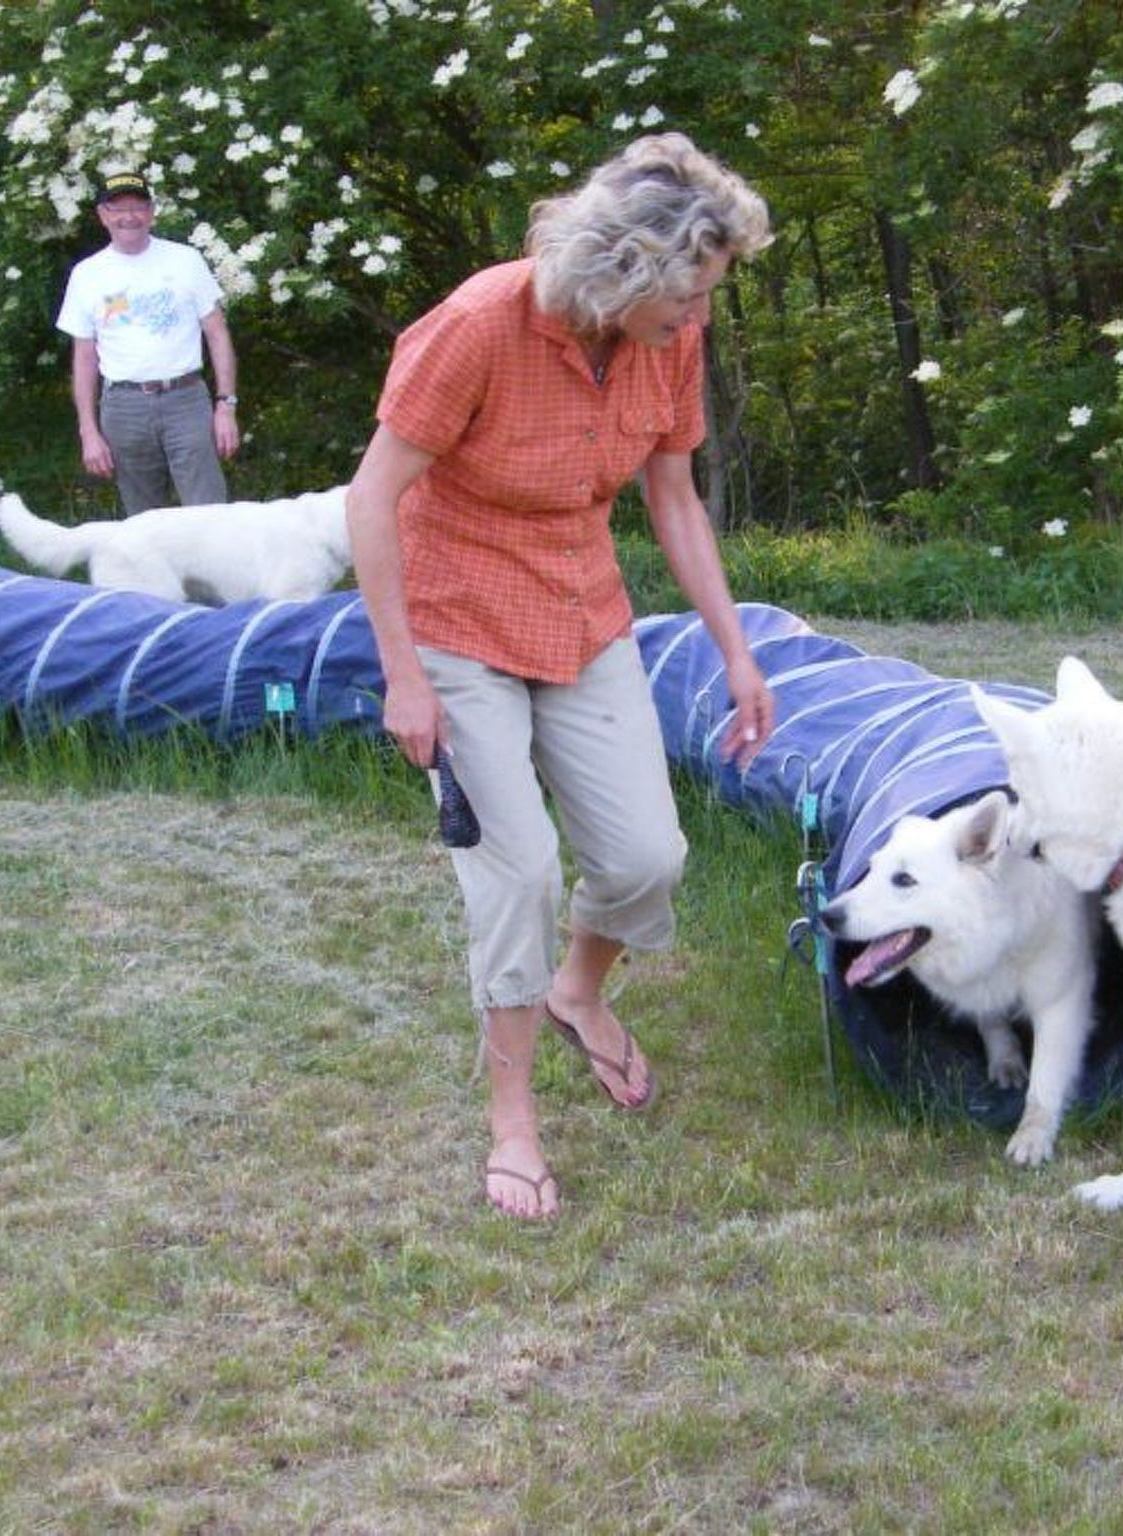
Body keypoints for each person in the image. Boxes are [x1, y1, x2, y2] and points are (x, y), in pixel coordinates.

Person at [347, 133, 776, 1221]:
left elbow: (673, 500)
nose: (702, 315)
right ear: (626, 267)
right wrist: (403, 675)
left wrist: (736, 651)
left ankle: (577, 992)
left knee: (647, 857)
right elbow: (371, 497)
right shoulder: (479, 324)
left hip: (583, 615)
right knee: (522, 875)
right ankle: (513, 1122)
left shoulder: (668, 343)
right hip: (455, 622)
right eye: (690, 291)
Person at [56, 170, 241, 514]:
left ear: (152, 212)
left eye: (138, 207)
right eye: (118, 208)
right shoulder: (87, 274)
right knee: (144, 523)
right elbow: (84, 358)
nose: (129, 217)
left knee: (210, 515)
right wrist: (88, 432)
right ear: (103, 216)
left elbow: (217, 333)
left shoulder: (186, 260)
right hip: (124, 408)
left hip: (186, 400)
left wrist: (226, 406)